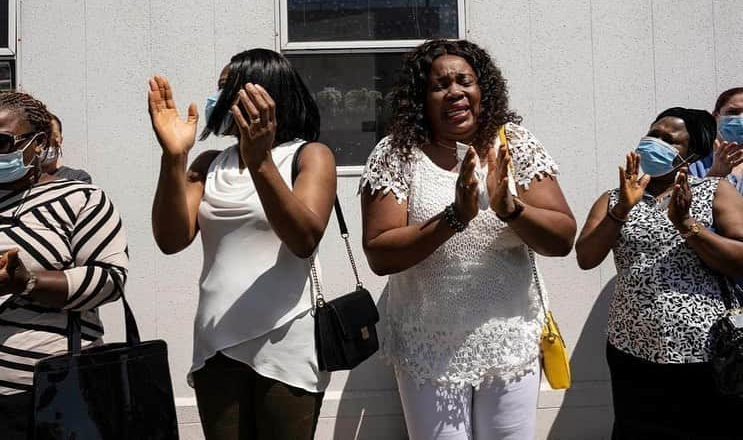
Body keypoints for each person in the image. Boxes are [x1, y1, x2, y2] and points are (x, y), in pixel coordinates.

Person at [359, 39, 576, 440]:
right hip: (429, 345)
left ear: (483, 90)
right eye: (440, 85)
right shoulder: (396, 153)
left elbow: (562, 238)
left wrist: (511, 208)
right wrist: (454, 217)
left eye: (465, 81)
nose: (455, 91)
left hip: (509, 342)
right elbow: (380, 253)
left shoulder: (516, 145)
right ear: (421, 98)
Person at [148, 49, 337, 440]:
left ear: (262, 95)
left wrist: (260, 162)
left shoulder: (309, 156)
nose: (216, 97)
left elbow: (304, 240)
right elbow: (170, 239)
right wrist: (174, 158)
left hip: (286, 340)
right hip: (217, 342)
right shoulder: (209, 163)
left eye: (225, 87)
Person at [575, 107, 743, 439]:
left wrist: (687, 226)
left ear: (691, 154)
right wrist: (621, 210)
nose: (655, 142)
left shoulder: (714, 192)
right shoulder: (613, 198)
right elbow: (586, 256)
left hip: (704, 353)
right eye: (653, 134)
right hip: (632, 350)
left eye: (669, 139)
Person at [0, 91, 129, 440]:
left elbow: (110, 279)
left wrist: (27, 282)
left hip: (52, 392)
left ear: (38, 143)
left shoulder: (80, 199)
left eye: (1, 141)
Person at [689, 87, 743, 194]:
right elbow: (684, 207)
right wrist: (714, 176)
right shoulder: (694, 164)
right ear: (715, 116)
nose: (741, 119)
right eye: (733, 112)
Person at [40, 114, 92, 183]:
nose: (49, 141)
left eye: (54, 135)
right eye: (43, 137)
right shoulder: (25, 180)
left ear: (61, 139)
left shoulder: (77, 178)